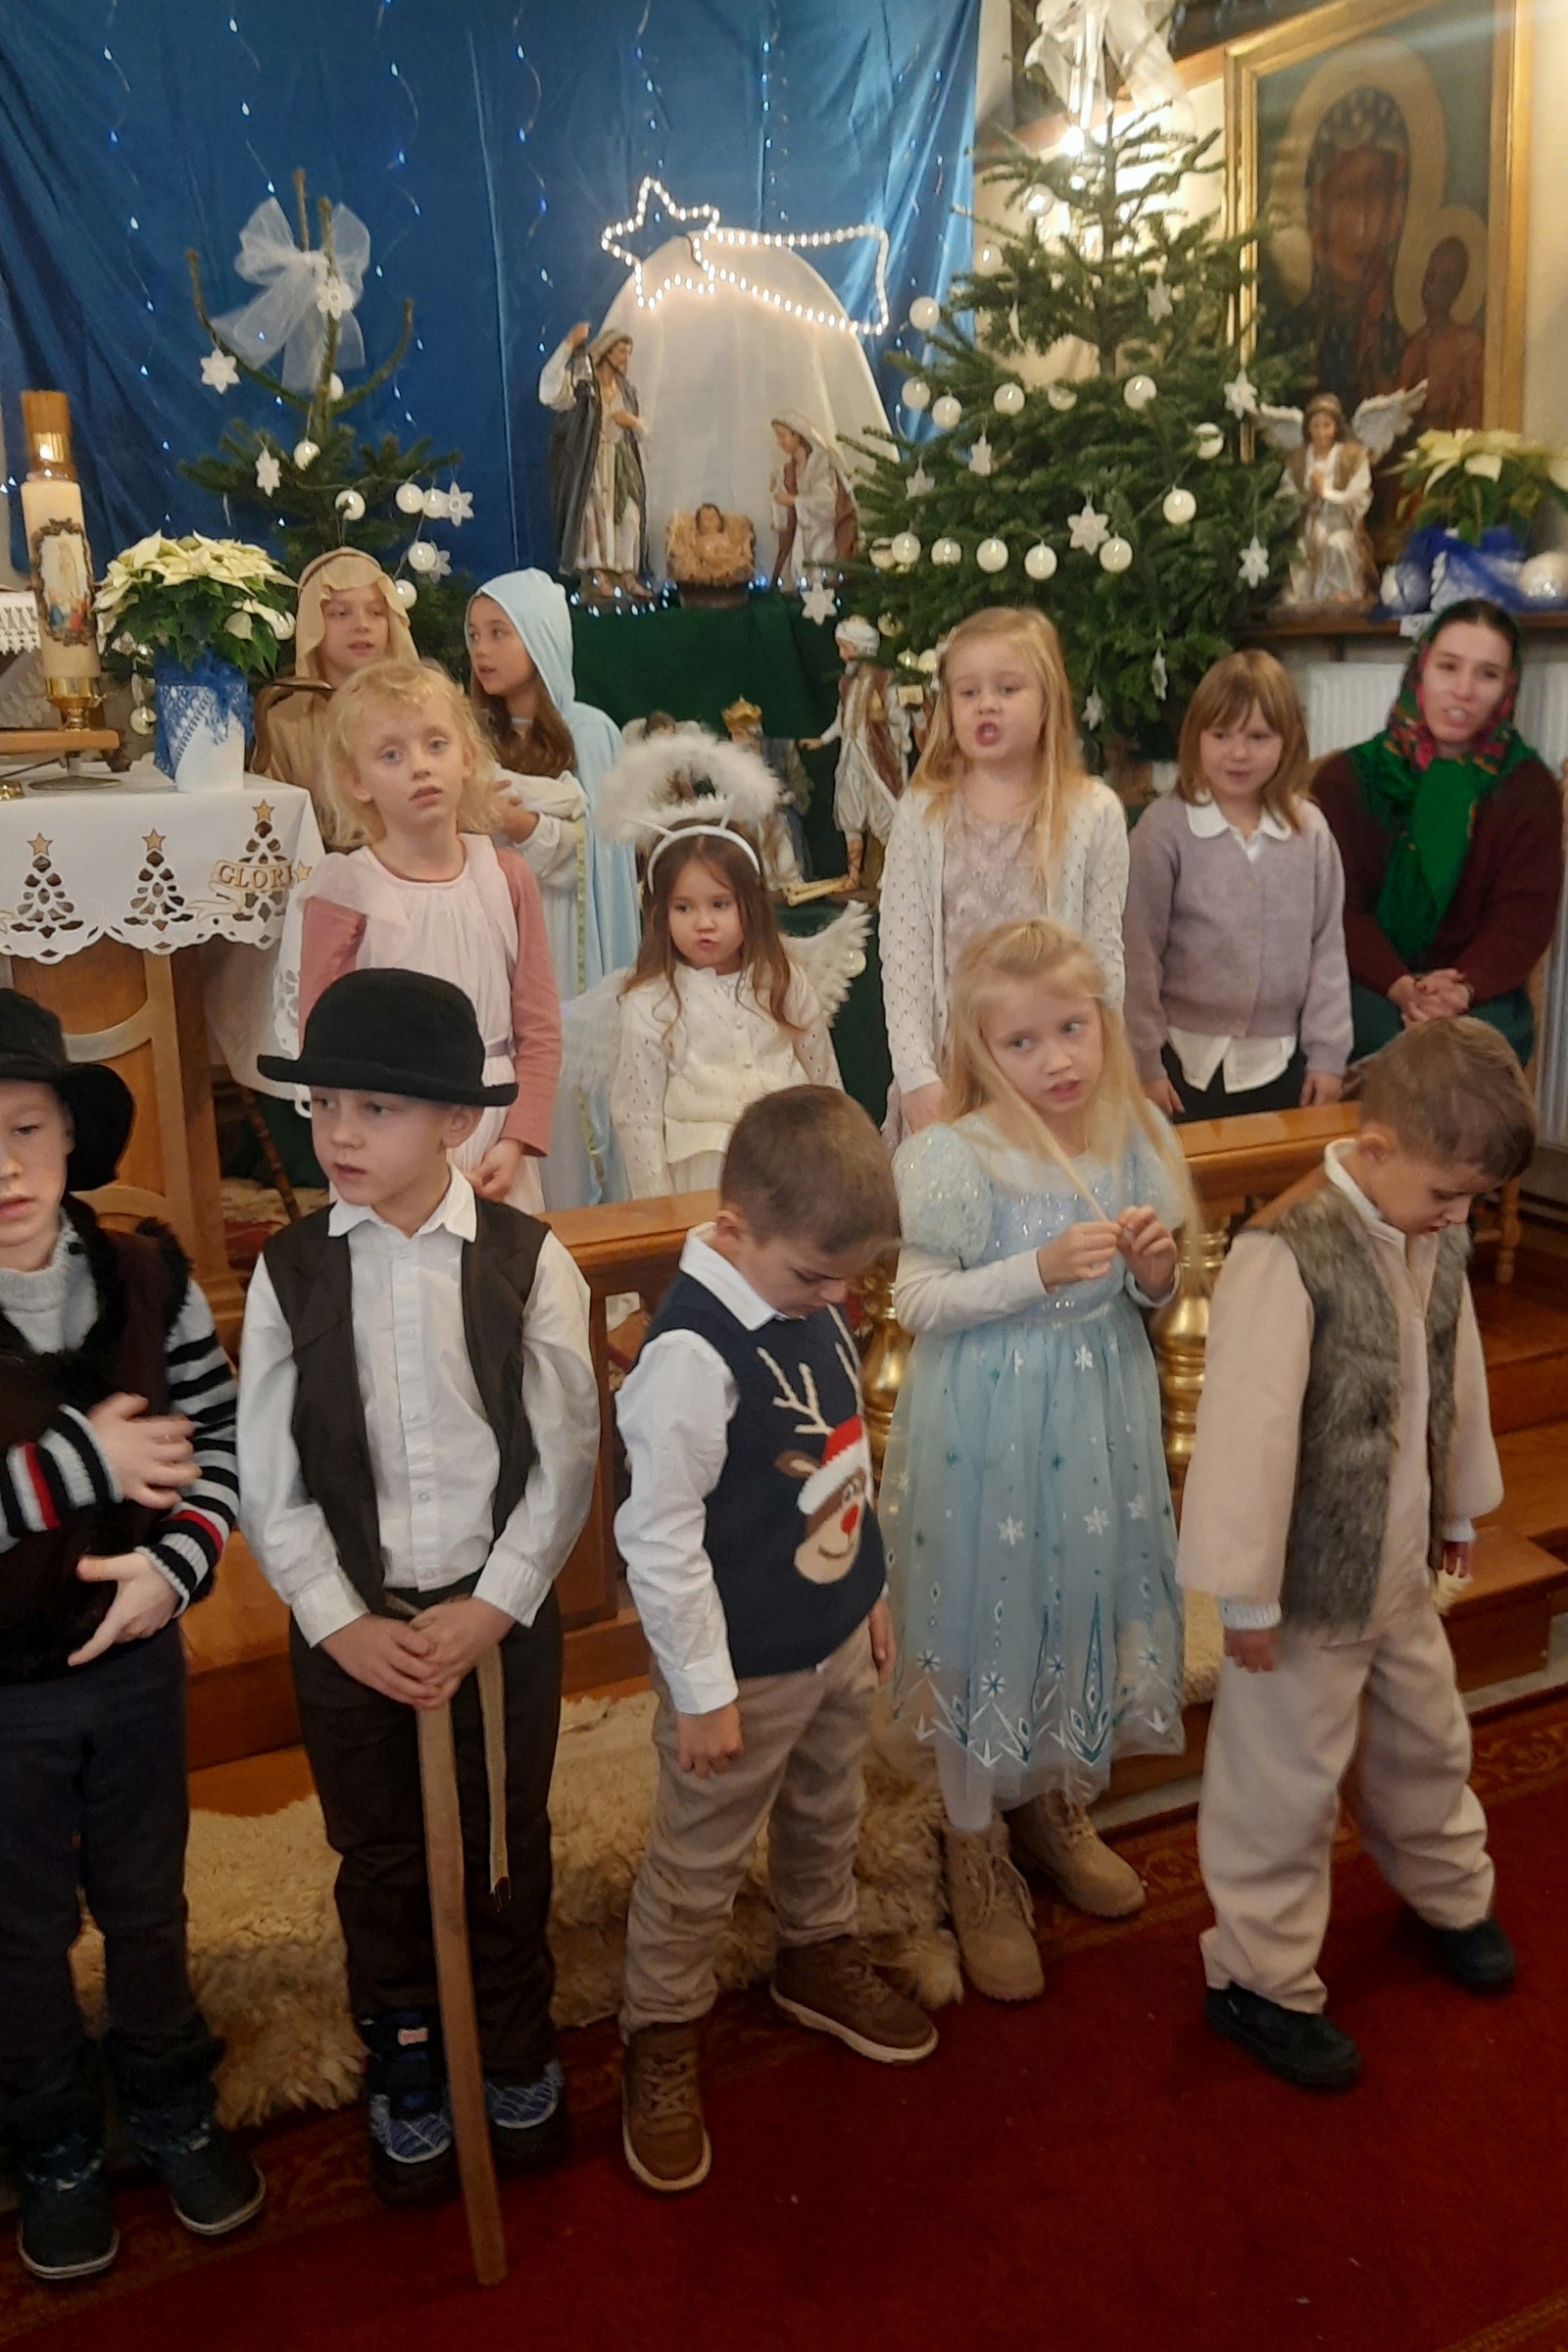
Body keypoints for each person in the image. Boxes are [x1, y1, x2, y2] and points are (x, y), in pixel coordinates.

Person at [238, 968, 599, 2204]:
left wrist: (496, 1602)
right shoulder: (289, 1274)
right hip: (354, 1630)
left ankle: (510, 2040)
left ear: (455, 1121)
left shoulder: (528, 1263)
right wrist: (338, 1624)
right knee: (379, 1850)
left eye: (375, 1109)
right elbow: (269, 1475)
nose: (339, 1134)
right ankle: (405, 2051)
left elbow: (564, 1455)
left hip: (496, 1621)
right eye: (325, 1105)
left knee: (504, 1839)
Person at [1178, 1017, 1536, 2088]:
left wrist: (1457, 1509)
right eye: (1448, 1193)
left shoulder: (1431, 1226)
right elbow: (1245, 1430)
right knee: (1280, 1785)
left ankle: (1447, 1893)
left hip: (1399, 1570)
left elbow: (1453, 1373)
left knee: (1427, 1743)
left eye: (1475, 1199)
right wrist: (1245, 1599)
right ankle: (1257, 1978)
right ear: (1376, 1147)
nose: (1460, 1216)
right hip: (1303, 1594)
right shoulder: (1286, 1251)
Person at [614, 1087, 936, 2194]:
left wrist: (869, 1587)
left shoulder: (805, 1295)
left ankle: (815, 1949)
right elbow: (658, 1541)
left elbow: (845, 1451)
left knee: (827, 1808)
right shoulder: (689, 1358)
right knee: (699, 1860)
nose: (837, 1299)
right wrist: (703, 1692)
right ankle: (660, 2026)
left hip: (834, 1635)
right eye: (815, 1277)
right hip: (740, 1671)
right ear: (733, 1226)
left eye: (849, 1281)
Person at [0, 993, 261, 2283]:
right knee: (19, 1928)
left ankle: (168, 2095)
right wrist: (77, 1461)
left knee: (150, 1900)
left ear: (67, 1136)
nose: (3, 1167)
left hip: (140, 1662)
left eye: (23, 1129)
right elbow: (83, 1463)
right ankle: (51, 2135)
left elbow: (221, 1449)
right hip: (6, 1691)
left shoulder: (148, 1276)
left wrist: (174, 1566)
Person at [881, 918, 1192, 1997]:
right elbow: (916, 1301)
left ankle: (1051, 1803)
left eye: (1072, 1029)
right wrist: (1037, 1273)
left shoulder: (1131, 1137)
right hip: (988, 1422)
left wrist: (1153, 1271)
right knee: (987, 1612)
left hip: (1098, 1409)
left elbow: (1151, 1292)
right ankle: (974, 1844)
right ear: (981, 1049)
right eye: (1022, 1041)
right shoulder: (954, 1156)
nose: (1057, 1059)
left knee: (1070, 1600)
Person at [273, 660, 560, 1213]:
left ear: (468, 756)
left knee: (496, 1262)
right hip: (387, 1138)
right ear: (356, 782)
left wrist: (516, 1141)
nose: (420, 767)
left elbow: (540, 1028)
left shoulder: (505, 878)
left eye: (436, 745)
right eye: (391, 755)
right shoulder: (345, 890)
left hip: (494, 1131)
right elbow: (324, 1045)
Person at [879, 606, 1131, 1140]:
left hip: (1053, 1072)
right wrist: (918, 1078)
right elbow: (903, 959)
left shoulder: (1092, 812)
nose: (986, 704)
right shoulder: (922, 813)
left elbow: (1103, 961)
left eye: (1008, 689)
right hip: (952, 1079)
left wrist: (1097, 1073)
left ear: (1048, 699)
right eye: (968, 692)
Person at [597, 728, 850, 1197]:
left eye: (720, 904)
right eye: (684, 908)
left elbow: (823, 1075)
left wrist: (837, 1159)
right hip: (705, 1178)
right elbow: (637, 1114)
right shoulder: (650, 1003)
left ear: (748, 905)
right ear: (660, 914)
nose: (704, 923)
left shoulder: (782, 979)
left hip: (793, 1164)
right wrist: (658, 1208)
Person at [1315, 601, 1565, 1065]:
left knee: (1475, 1047)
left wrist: (1460, 990)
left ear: (1508, 689)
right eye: (1448, 667)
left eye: (1487, 675)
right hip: (1370, 980)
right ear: (1421, 671)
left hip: (1476, 991)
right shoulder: (1348, 779)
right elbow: (1335, 910)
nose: (1464, 690)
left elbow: (1522, 919)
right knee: (1364, 1033)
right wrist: (1401, 986)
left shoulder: (1527, 789)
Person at [467, 569, 641, 1206]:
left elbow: (601, 852)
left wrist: (521, 827)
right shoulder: (469, 736)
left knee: (563, 1082)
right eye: (473, 635)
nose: (482, 650)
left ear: (541, 636)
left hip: (565, 935)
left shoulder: (589, 731)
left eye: (499, 633)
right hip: (495, 935)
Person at [1125, 650, 1352, 1121]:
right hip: (1181, 1060)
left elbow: (1327, 948)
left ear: (1288, 741)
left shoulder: (1310, 831)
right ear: (1196, 737)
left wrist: (1328, 1055)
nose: (1239, 753)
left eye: (1258, 736)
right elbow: (1137, 952)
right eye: (1221, 734)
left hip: (1281, 1062)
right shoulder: (1164, 829)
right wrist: (1144, 1060)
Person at [252, 550, 416, 837]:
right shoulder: (284, 722)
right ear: (313, 624)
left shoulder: (419, 709)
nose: (361, 625)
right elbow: (269, 826)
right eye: (340, 613)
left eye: (376, 612)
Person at [537, 321, 650, 599]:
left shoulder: (626, 391)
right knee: (592, 517)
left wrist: (633, 423)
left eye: (627, 353)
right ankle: (598, 574)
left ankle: (628, 573)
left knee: (630, 516)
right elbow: (548, 389)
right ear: (606, 352)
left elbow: (642, 433)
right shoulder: (583, 384)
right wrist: (569, 343)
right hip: (589, 462)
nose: (624, 359)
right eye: (620, 352)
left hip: (620, 463)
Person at [804, 615, 909, 893]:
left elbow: (899, 719)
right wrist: (822, 740)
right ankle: (854, 874)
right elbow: (842, 720)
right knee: (850, 809)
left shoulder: (886, 682)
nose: (841, 655)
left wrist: (886, 720)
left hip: (875, 758)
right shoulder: (847, 684)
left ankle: (894, 874)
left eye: (845, 647)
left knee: (884, 811)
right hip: (852, 756)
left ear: (861, 649)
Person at [1397, 234, 1485, 432]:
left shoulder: (1469, 345)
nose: (1432, 288)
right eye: (1430, 277)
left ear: (1457, 288)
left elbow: (1475, 413)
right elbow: (1399, 409)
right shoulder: (1414, 345)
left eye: (1444, 281)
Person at [767, 412, 858, 589]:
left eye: (782, 436)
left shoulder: (820, 461)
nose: (779, 442)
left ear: (797, 435)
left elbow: (827, 501)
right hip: (805, 528)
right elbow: (784, 501)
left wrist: (794, 500)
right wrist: (777, 488)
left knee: (819, 569)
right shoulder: (791, 467)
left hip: (823, 530)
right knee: (798, 570)